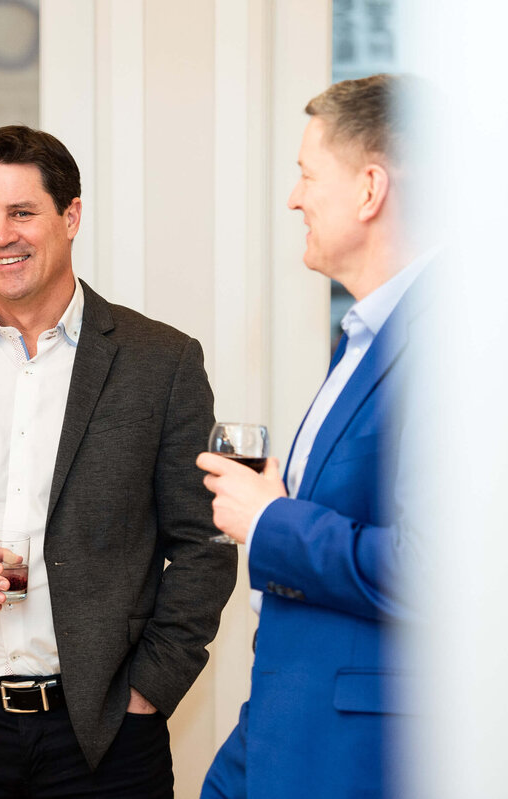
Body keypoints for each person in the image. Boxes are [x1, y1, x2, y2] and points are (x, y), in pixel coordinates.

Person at [0, 125, 236, 797]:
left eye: (21, 212)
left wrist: (149, 688)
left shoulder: (161, 362)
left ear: (70, 216)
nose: (0, 235)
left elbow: (205, 540)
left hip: (104, 738)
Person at [197, 74, 435, 799]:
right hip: (280, 736)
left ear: (370, 188)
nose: (294, 197)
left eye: (306, 174)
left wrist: (271, 518)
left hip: (357, 755)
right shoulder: (365, 335)